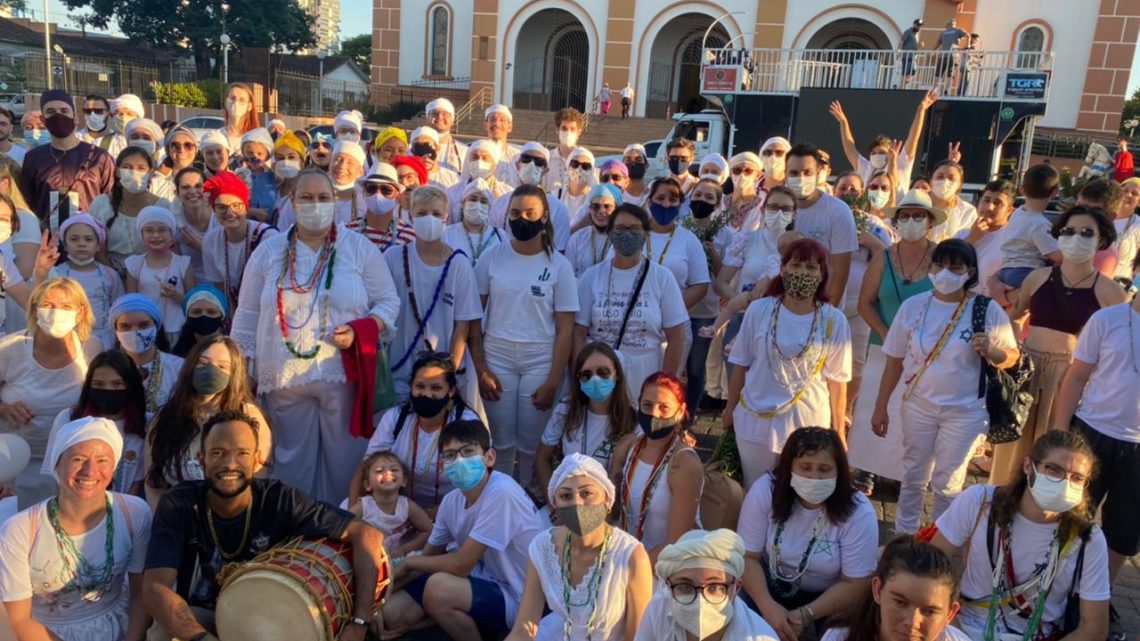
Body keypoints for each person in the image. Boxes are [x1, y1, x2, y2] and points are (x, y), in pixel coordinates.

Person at [231, 168, 400, 503]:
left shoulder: (358, 248)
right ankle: (294, 538)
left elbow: (388, 301)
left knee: (346, 463)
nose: (314, 204)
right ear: (292, 202)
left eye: (323, 197)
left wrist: (360, 330)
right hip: (281, 379)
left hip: (343, 376)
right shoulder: (268, 251)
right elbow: (247, 314)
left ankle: (339, 535)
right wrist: (241, 372)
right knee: (289, 465)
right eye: (306, 197)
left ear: (335, 201)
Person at [142, 410, 384, 641]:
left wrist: (359, 623)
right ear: (201, 459)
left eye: (242, 453)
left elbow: (367, 535)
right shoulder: (179, 503)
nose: (230, 464)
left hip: (269, 619)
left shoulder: (280, 500)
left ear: (257, 460)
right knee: (165, 631)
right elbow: (154, 588)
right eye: (218, 453)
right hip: (203, 618)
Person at [872, 239, 1019, 533]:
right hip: (918, 405)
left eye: (955, 267)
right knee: (913, 474)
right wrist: (880, 406)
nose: (946, 273)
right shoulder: (913, 307)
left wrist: (992, 352)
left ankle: (939, 539)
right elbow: (894, 361)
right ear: (931, 267)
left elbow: (1011, 356)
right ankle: (905, 535)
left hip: (965, 411)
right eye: (940, 265)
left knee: (948, 482)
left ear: (970, 272)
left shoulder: (985, 310)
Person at [930, 430, 1110, 641]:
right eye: (1054, 470)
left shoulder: (1088, 539)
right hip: (964, 629)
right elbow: (929, 566)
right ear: (1028, 466)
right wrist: (952, 629)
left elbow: (1094, 630)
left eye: (1077, 478)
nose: (1064, 483)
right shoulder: (980, 501)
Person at [375, 420, 545, 640]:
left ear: (489, 457)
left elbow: (460, 565)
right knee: (392, 613)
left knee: (438, 589)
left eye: (468, 451)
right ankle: (455, 619)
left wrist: (408, 562)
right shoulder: (450, 502)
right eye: (450, 455)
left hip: (521, 597)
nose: (459, 460)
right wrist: (377, 599)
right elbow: (428, 557)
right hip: (483, 579)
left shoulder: (502, 493)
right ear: (443, 465)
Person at [990, 206, 1124, 485]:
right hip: (1028, 370)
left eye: (1087, 233)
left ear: (1101, 240)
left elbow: (1118, 343)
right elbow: (1014, 317)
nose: (1077, 237)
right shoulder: (1037, 277)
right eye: (1069, 231)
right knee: (1011, 451)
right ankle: (1002, 503)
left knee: (1053, 450)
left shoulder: (1111, 292)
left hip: (1071, 376)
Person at [0, 416, 152, 641]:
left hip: (120, 627)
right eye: (78, 459)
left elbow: (141, 594)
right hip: (44, 634)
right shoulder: (20, 529)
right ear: (57, 465)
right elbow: (19, 620)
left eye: (102, 460)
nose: (90, 471)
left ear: (114, 467)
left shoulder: (134, 513)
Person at [722, 238, 852, 486]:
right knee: (756, 491)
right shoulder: (759, 310)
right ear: (782, 270)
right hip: (755, 421)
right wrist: (729, 409)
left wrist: (839, 432)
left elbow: (838, 382)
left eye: (811, 268)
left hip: (807, 423)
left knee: (799, 495)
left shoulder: (834, 320)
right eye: (796, 266)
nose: (802, 273)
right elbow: (741, 364)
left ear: (822, 275)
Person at [474, 185, 578, 487]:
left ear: (544, 218)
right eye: (516, 213)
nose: (522, 219)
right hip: (497, 356)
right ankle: (503, 502)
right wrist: (481, 369)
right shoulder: (490, 258)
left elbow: (565, 328)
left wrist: (554, 380)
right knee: (502, 443)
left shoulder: (560, 265)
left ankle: (530, 501)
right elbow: (472, 320)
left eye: (530, 214)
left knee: (531, 445)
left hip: (540, 359)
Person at [739, 427, 878, 641]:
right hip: (768, 582)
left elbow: (856, 584)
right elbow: (748, 558)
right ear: (789, 468)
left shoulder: (859, 511)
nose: (814, 477)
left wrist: (804, 615)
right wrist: (767, 607)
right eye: (805, 467)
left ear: (839, 472)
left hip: (831, 595)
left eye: (824, 469)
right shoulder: (765, 490)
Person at [1050, 284, 1140, 612]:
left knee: (1125, 530)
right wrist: (1060, 431)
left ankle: (1097, 599)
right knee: (1071, 514)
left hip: (1137, 447)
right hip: (1092, 431)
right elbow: (1076, 377)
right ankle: (1054, 586)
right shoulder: (1108, 319)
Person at [507, 453, 652, 641]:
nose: (577, 503)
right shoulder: (542, 547)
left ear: (607, 500)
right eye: (566, 496)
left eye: (587, 493)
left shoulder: (631, 556)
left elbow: (638, 637)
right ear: (556, 505)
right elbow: (524, 628)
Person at [0, 278, 101, 505]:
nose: (56, 313)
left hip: (68, 465)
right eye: (48, 305)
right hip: (11, 466)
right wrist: (3, 408)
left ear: (80, 312)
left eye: (66, 307)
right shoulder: (9, 348)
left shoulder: (92, 348)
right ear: (35, 309)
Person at [574, 204, 687, 401]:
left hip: (645, 370)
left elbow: (676, 336)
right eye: (620, 229)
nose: (627, 234)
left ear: (646, 234)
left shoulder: (662, 277)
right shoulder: (591, 277)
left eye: (635, 229)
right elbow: (578, 333)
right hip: (599, 373)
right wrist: (579, 375)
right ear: (610, 233)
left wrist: (664, 384)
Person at [384, 184, 481, 407]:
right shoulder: (393, 257)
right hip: (400, 369)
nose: (429, 219)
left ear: (446, 217)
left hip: (441, 376)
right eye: (422, 213)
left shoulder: (459, 264)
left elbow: (462, 326)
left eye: (436, 214)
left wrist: (449, 375)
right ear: (410, 215)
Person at [143, 335, 269, 505]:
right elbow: (153, 484)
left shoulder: (249, 417)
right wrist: (165, 523)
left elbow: (259, 483)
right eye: (203, 363)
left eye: (222, 367)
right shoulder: (165, 418)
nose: (211, 371)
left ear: (234, 374)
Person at [363, 353, 481, 511]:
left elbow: (479, 480)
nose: (426, 394)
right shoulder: (395, 418)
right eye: (420, 386)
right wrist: (353, 513)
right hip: (398, 508)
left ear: (451, 391)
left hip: (456, 509)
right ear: (411, 387)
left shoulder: (466, 422)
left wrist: (437, 514)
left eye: (436, 388)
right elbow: (367, 466)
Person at [611, 372, 703, 562]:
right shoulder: (627, 446)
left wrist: (631, 571)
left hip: (664, 567)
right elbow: (611, 512)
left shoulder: (684, 464)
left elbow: (677, 542)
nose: (653, 414)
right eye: (647, 405)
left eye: (664, 408)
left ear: (680, 411)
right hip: (623, 557)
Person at [635, 528, 780, 641]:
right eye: (685, 588)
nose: (700, 602)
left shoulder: (760, 638)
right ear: (668, 586)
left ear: (736, 588)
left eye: (714, 587)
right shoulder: (657, 611)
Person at [820, 535, 970, 641]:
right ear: (878, 590)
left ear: (950, 614)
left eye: (929, 611)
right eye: (900, 603)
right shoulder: (840, 637)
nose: (912, 623)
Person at [535, 342, 638, 492]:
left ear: (616, 375)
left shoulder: (633, 417)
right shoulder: (566, 409)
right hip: (569, 498)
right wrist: (554, 505)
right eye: (586, 375)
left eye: (603, 372)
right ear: (578, 380)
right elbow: (541, 458)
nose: (595, 380)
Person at [45, 349, 148, 495]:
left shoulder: (146, 424)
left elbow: (140, 481)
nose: (108, 390)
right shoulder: (69, 419)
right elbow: (57, 477)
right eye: (99, 384)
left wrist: (121, 513)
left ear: (131, 386)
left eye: (117, 384)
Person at [18, 90, 116, 223]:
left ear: (75, 117)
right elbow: (26, 204)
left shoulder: (100, 158)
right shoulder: (33, 158)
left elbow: (111, 202)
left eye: (64, 111)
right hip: (46, 240)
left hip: (89, 239)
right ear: (43, 119)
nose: (58, 116)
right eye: (51, 112)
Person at [785, 143, 858, 304]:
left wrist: (825, 313)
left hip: (821, 307)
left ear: (818, 174)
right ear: (785, 174)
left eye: (807, 173)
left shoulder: (838, 212)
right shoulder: (779, 207)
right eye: (794, 173)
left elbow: (841, 272)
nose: (801, 178)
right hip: (784, 307)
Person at [829, 89, 938, 189]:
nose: (877, 155)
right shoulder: (864, 167)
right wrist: (843, 122)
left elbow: (913, 137)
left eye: (882, 152)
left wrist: (921, 110)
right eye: (873, 153)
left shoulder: (901, 163)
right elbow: (850, 147)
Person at [201, 170, 277, 311]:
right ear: (213, 210)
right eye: (221, 207)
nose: (229, 213)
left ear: (246, 207)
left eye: (236, 206)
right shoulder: (210, 241)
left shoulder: (268, 237)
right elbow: (220, 286)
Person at [48, 214, 123, 348]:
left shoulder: (109, 275)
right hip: (67, 340)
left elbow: (120, 308)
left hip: (103, 341)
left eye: (88, 239)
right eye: (74, 239)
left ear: (98, 245)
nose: (81, 244)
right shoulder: (56, 274)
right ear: (65, 245)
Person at [125, 206, 196, 344]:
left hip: (177, 330)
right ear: (141, 234)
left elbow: (193, 304)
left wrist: (175, 295)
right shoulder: (134, 264)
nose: (156, 235)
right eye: (149, 230)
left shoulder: (183, 264)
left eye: (162, 230)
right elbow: (131, 303)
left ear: (171, 234)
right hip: (147, 330)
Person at [87, 146, 163, 273]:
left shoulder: (161, 207)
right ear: (117, 171)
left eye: (141, 168)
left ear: (150, 173)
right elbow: (97, 249)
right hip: (110, 275)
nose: (134, 173)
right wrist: (115, 278)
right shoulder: (101, 204)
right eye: (127, 167)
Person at [347, 451, 433, 560]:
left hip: (399, 558)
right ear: (367, 485)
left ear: (404, 481)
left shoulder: (407, 506)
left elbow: (428, 531)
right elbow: (344, 524)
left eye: (394, 470)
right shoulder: (364, 506)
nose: (387, 473)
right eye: (379, 471)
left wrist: (405, 549)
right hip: (368, 558)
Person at [997, 163, 1062, 290]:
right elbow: (1057, 256)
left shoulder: (1018, 212)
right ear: (1055, 192)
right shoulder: (1040, 224)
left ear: (1022, 189)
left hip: (1006, 270)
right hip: (1025, 272)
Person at [959, 179, 1016, 299]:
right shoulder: (962, 234)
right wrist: (970, 239)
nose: (989, 207)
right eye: (987, 200)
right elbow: (945, 267)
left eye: (998, 203)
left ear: (1009, 211)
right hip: (959, 304)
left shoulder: (1014, 240)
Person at [348, 163, 416, 252]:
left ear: (397, 196)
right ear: (364, 192)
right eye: (371, 189)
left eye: (386, 190)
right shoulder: (349, 230)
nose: (377, 195)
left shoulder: (409, 236)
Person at [448, 140, 513, 223]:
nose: (479, 161)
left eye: (485, 158)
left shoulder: (507, 192)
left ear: (494, 165)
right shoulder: (453, 192)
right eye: (475, 157)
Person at [444, 178, 503, 268]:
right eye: (473, 199)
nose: (478, 204)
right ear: (463, 203)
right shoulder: (447, 234)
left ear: (489, 207)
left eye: (483, 201)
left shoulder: (500, 236)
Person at [565, 183, 619, 276]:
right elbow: (568, 275)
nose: (601, 211)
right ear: (589, 209)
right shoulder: (578, 238)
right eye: (596, 206)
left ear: (617, 209)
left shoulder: (622, 239)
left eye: (607, 206)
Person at [171, 167, 214, 284]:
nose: (193, 191)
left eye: (198, 186)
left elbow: (230, 260)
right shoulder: (175, 222)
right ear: (177, 193)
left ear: (207, 190)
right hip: (190, 284)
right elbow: (174, 264)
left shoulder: (220, 217)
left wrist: (201, 246)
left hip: (222, 281)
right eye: (185, 187)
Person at [171, 285, 227, 358]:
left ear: (222, 316)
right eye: (196, 312)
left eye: (211, 312)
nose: (204, 316)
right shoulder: (176, 359)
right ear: (187, 317)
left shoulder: (231, 352)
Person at [927, 160, 977, 242]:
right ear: (931, 181)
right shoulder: (916, 204)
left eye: (951, 178)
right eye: (940, 177)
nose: (945, 182)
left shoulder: (968, 211)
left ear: (959, 185)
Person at [545, 107, 584, 193]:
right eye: (564, 128)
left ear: (579, 132)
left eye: (572, 129)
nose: (568, 133)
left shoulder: (584, 161)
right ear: (557, 130)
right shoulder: (547, 159)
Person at [426, 98, 468, 173]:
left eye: (445, 114)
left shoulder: (464, 151)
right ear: (427, 118)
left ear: (452, 120)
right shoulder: (412, 149)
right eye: (435, 113)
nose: (440, 117)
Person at [484, 104, 521, 185]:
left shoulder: (518, 156)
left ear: (510, 127)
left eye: (502, 120)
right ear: (486, 125)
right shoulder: (476, 153)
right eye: (493, 119)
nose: (497, 124)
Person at [218, 83, 259, 153]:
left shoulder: (256, 138)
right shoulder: (217, 136)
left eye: (242, 100)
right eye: (232, 98)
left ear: (249, 106)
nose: (236, 102)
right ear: (226, 102)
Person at [1113, 177, 1140, 281]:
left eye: (1134, 193)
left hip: (1120, 287)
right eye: (1125, 190)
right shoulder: (1102, 217)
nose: (1128, 195)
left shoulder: (1138, 225)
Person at [898, 19, 923, 88]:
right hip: (907, 56)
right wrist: (899, 51)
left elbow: (915, 46)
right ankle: (901, 87)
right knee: (906, 73)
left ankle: (901, 86)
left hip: (913, 57)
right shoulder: (908, 32)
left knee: (913, 72)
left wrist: (919, 46)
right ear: (914, 24)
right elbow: (901, 41)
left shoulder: (917, 34)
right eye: (918, 25)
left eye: (920, 26)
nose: (919, 27)